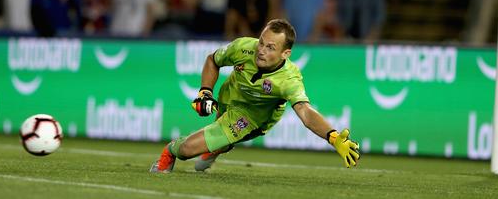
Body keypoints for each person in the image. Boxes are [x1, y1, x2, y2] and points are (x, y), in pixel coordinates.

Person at [149, 19, 360, 173]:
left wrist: (332, 137)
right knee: (219, 141)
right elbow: (212, 60)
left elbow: (305, 112)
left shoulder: (289, 79)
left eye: (270, 48)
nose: (261, 50)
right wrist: (205, 92)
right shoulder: (243, 48)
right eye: (261, 42)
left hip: (251, 117)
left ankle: (170, 151)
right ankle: (216, 147)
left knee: (187, 150)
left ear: (285, 54)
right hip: (227, 97)